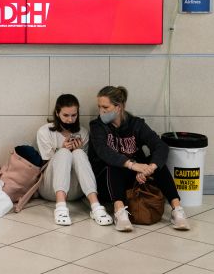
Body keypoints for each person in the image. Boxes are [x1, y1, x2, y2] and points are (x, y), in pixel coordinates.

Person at [88, 85, 189, 232]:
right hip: (107, 180)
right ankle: (119, 212)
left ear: (119, 107)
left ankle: (177, 209)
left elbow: (160, 146)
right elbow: (104, 152)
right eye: (99, 107)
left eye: (105, 107)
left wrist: (150, 168)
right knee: (114, 164)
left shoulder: (135, 124)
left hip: (136, 175)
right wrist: (132, 165)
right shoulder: (97, 126)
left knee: (158, 164)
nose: (101, 111)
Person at [36, 94, 113, 226]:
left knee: (78, 153)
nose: (70, 119)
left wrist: (80, 150)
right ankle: (60, 207)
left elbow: (85, 168)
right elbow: (46, 164)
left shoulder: (83, 132)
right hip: (50, 189)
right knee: (64, 152)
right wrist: (61, 149)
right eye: (65, 115)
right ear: (57, 113)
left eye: (74, 115)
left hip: (76, 191)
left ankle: (95, 206)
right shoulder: (45, 131)